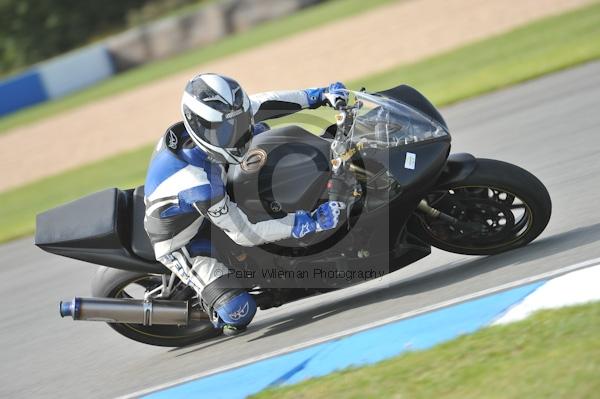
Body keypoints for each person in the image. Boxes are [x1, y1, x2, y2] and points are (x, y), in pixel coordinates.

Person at [143, 73, 348, 335]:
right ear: (201, 127)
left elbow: (267, 103)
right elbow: (246, 232)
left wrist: (319, 96)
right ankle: (218, 309)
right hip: (183, 240)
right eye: (228, 131)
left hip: (212, 189)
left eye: (239, 122)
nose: (238, 135)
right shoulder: (200, 185)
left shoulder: (220, 121)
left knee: (268, 143)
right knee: (240, 312)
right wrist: (307, 222)